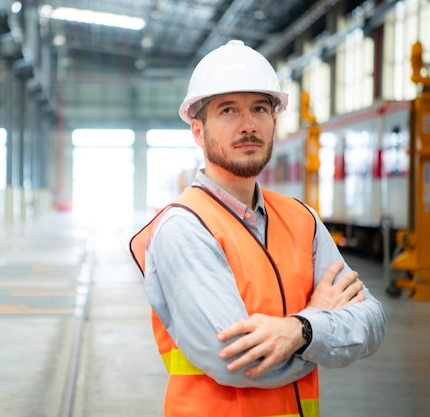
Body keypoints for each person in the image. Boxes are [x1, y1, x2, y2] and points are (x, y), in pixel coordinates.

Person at [129, 40, 386, 417]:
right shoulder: (183, 228)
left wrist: (300, 330)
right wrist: (321, 326)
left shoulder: (302, 220)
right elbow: (237, 359)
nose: (247, 125)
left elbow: (374, 322)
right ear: (198, 132)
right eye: (228, 110)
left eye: (259, 108)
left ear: (274, 122)